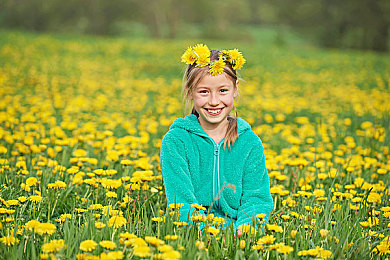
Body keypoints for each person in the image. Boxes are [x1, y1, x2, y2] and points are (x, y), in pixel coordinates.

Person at [160, 44, 273, 232]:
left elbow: (257, 199)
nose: (213, 101)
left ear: (235, 89)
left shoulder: (250, 143)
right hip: (191, 232)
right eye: (204, 91)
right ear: (190, 92)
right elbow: (181, 201)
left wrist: (245, 232)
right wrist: (205, 234)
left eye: (222, 91)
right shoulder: (176, 141)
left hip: (238, 234)